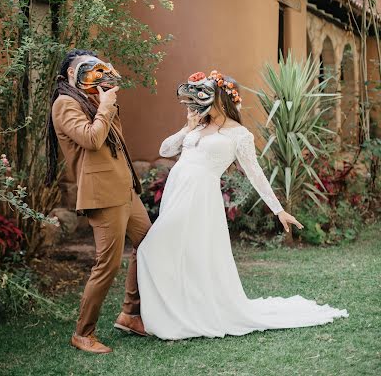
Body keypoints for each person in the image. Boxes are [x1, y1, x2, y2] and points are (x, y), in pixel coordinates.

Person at [137, 70, 348, 340]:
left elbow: (256, 174)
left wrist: (278, 209)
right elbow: (166, 150)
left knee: (153, 247)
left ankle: (180, 313)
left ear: (220, 99)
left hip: (200, 196)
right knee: (180, 251)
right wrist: (188, 127)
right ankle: (177, 308)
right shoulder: (198, 124)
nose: (196, 103)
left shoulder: (240, 135)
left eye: (204, 96)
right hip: (177, 190)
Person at [47, 49, 151, 354]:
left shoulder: (92, 98)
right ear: (70, 74)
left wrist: (106, 96)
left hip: (124, 190)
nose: (96, 73)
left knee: (149, 243)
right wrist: (105, 105)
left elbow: (112, 138)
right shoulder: (64, 104)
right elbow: (91, 139)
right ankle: (83, 333)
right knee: (107, 264)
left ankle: (130, 313)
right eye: (88, 69)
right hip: (103, 194)